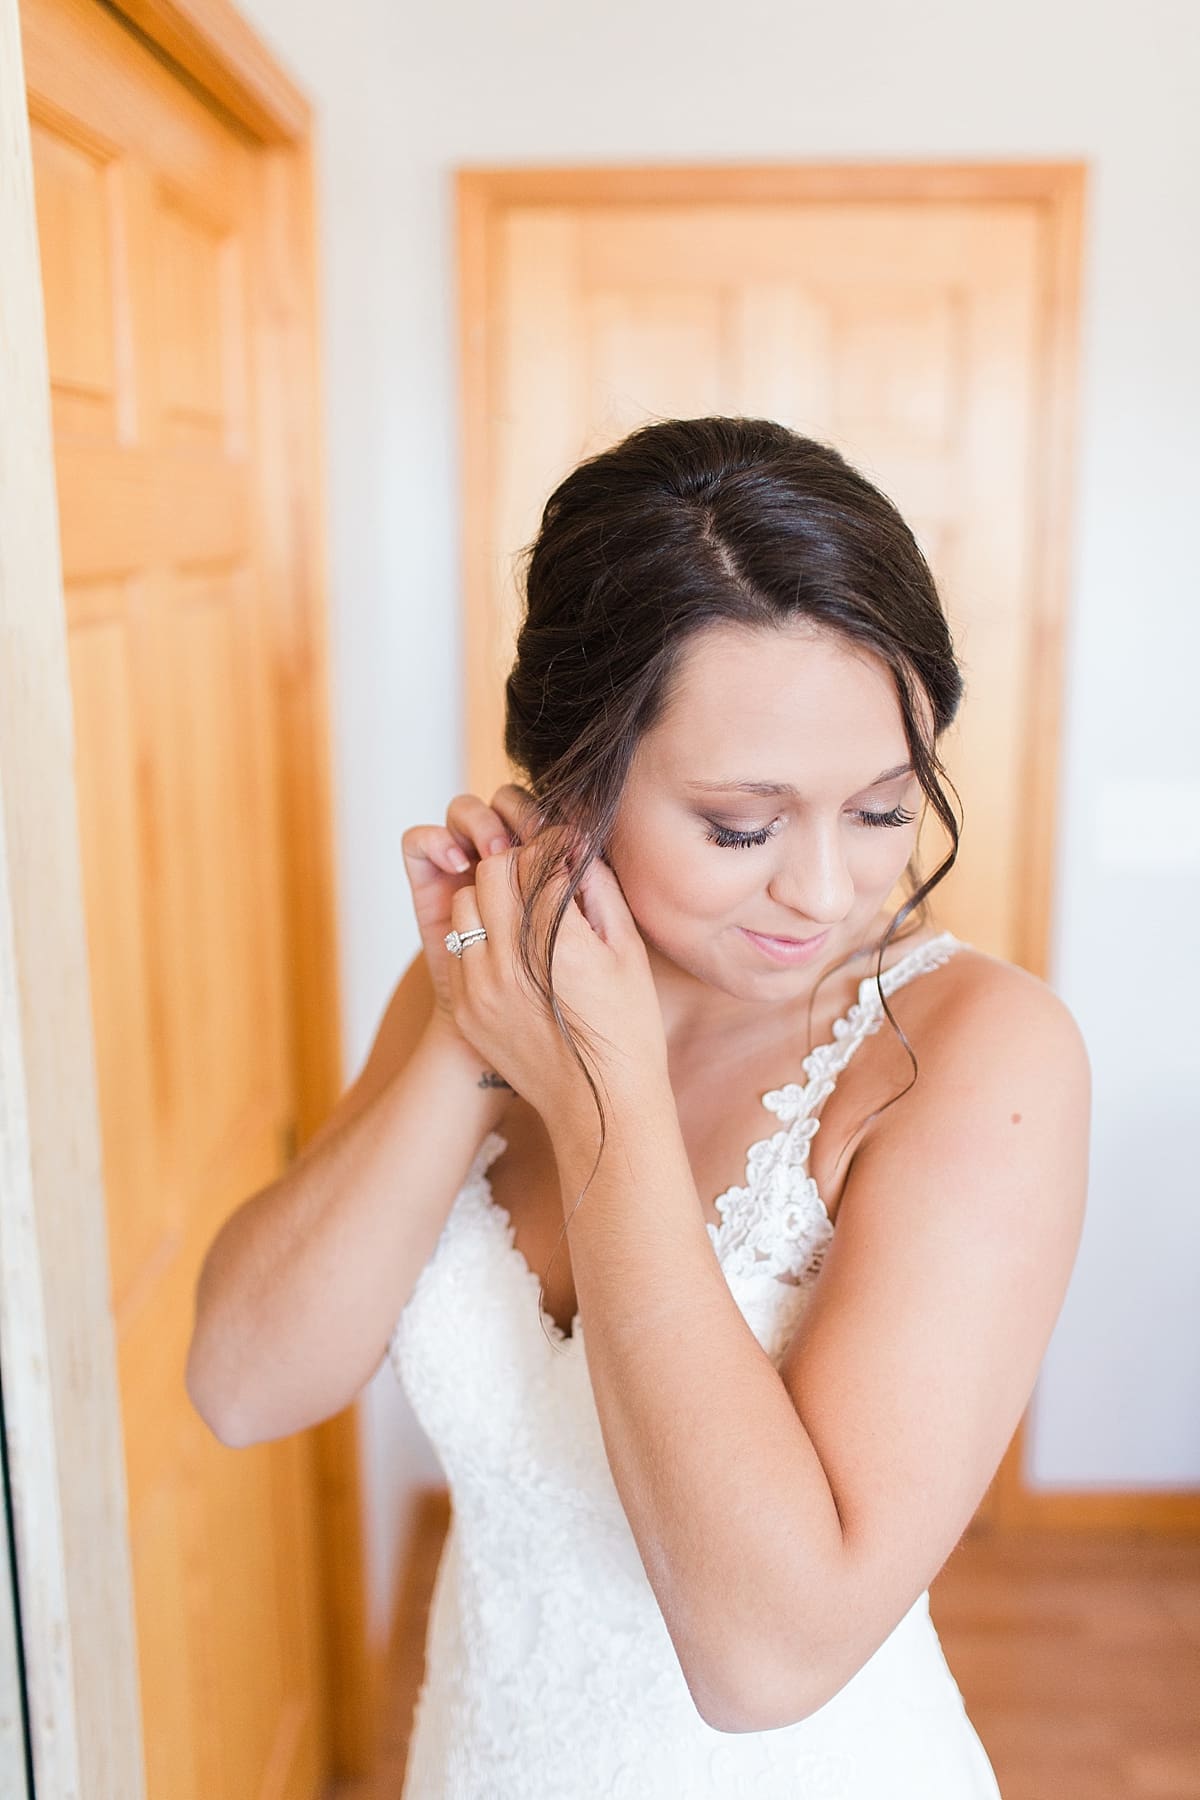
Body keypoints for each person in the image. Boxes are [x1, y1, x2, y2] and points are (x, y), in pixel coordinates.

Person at [186, 416, 1091, 1798]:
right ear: (576, 785)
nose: (828, 890)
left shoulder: (976, 1058)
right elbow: (243, 1385)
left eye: (885, 809)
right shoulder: (480, 996)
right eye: (742, 825)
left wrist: (601, 1091)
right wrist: (472, 1034)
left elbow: (766, 1659)